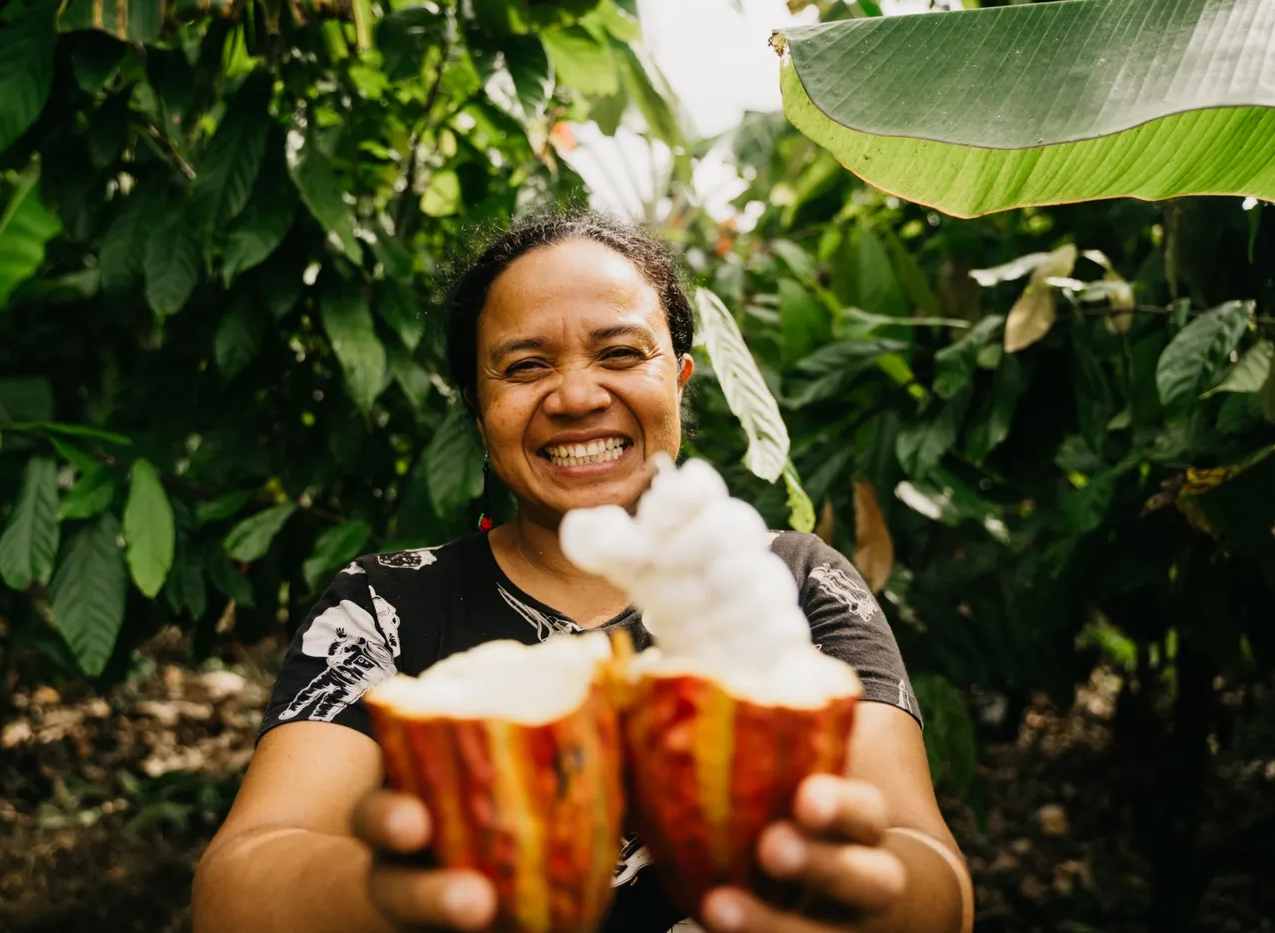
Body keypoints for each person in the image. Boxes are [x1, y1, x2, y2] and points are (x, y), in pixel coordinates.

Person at [192, 210, 974, 933]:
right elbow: (240, 877)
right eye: (525, 365)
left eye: (621, 353)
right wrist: (390, 889)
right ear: (477, 408)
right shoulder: (386, 603)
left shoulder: (796, 584)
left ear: (680, 378)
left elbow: (930, 864)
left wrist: (859, 894)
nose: (575, 395)